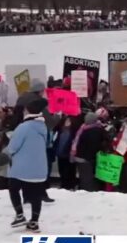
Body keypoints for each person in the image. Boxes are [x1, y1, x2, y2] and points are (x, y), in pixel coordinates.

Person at [6, 98, 49, 232]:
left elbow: (12, 147)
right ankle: (34, 222)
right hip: (39, 168)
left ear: (28, 111)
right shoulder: (43, 127)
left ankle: (19, 215)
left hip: (22, 168)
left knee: (13, 188)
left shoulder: (23, 127)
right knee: (36, 195)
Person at [71, 112, 105, 192]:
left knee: (86, 179)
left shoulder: (92, 130)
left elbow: (93, 145)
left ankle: (86, 194)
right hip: (83, 157)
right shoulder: (85, 128)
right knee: (85, 177)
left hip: (85, 157)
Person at [54, 117, 77, 190]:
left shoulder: (74, 130)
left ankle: (70, 185)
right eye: (66, 120)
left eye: (69, 121)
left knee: (70, 170)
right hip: (60, 153)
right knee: (62, 170)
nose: (67, 122)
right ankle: (63, 184)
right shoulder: (60, 129)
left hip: (69, 154)